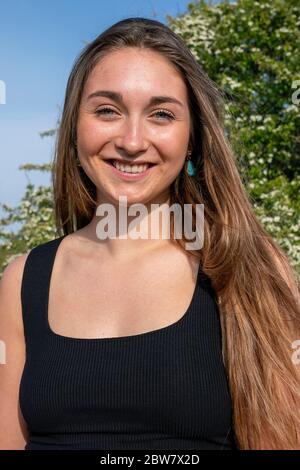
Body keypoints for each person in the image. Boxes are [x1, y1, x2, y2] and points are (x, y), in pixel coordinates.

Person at [0, 17, 299, 451]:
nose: (133, 141)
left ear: (192, 137)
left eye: (161, 114)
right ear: (74, 127)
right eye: (107, 110)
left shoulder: (243, 262)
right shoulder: (22, 281)